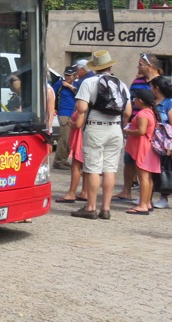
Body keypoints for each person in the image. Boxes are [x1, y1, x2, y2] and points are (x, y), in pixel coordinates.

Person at [70, 50, 130, 220]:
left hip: (96, 127)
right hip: (115, 128)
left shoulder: (89, 82)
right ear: (110, 65)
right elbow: (128, 111)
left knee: (93, 168)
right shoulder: (121, 84)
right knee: (110, 169)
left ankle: (90, 207)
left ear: (95, 67)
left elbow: (81, 108)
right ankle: (106, 208)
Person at [116, 53, 163, 202]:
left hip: (149, 127)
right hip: (134, 123)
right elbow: (129, 101)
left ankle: (146, 198)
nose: (138, 67)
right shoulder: (137, 81)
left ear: (150, 66)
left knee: (145, 167)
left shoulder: (160, 83)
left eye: (141, 64)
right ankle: (126, 190)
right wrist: (127, 122)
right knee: (129, 160)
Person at [122, 88, 160, 215]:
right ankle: (147, 202)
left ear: (141, 100)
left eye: (135, 98)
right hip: (146, 147)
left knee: (143, 176)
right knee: (147, 177)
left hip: (142, 147)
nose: (134, 100)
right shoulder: (150, 112)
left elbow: (141, 131)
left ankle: (143, 204)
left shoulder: (143, 114)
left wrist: (127, 131)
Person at [150, 75, 172, 209]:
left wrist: (171, 143)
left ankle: (164, 197)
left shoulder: (170, 105)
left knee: (166, 169)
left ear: (157, 88)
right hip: (151, 141)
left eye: (151, 86)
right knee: (149, 169)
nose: (149, 89)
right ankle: (147, 196)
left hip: (165, 142)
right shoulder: (151, 102)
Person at [52, 65, 79, 170]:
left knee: (70, 140)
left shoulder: (77, 85)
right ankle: (58, 161)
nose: (67, 77)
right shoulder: (59, 84)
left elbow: (79, 94)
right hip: (64, 114)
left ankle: (63, 159)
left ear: (75, 76)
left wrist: (69, 86)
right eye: (66, 75)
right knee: (64, 138)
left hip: (74, 115)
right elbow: (51, 94)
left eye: (69, 75)